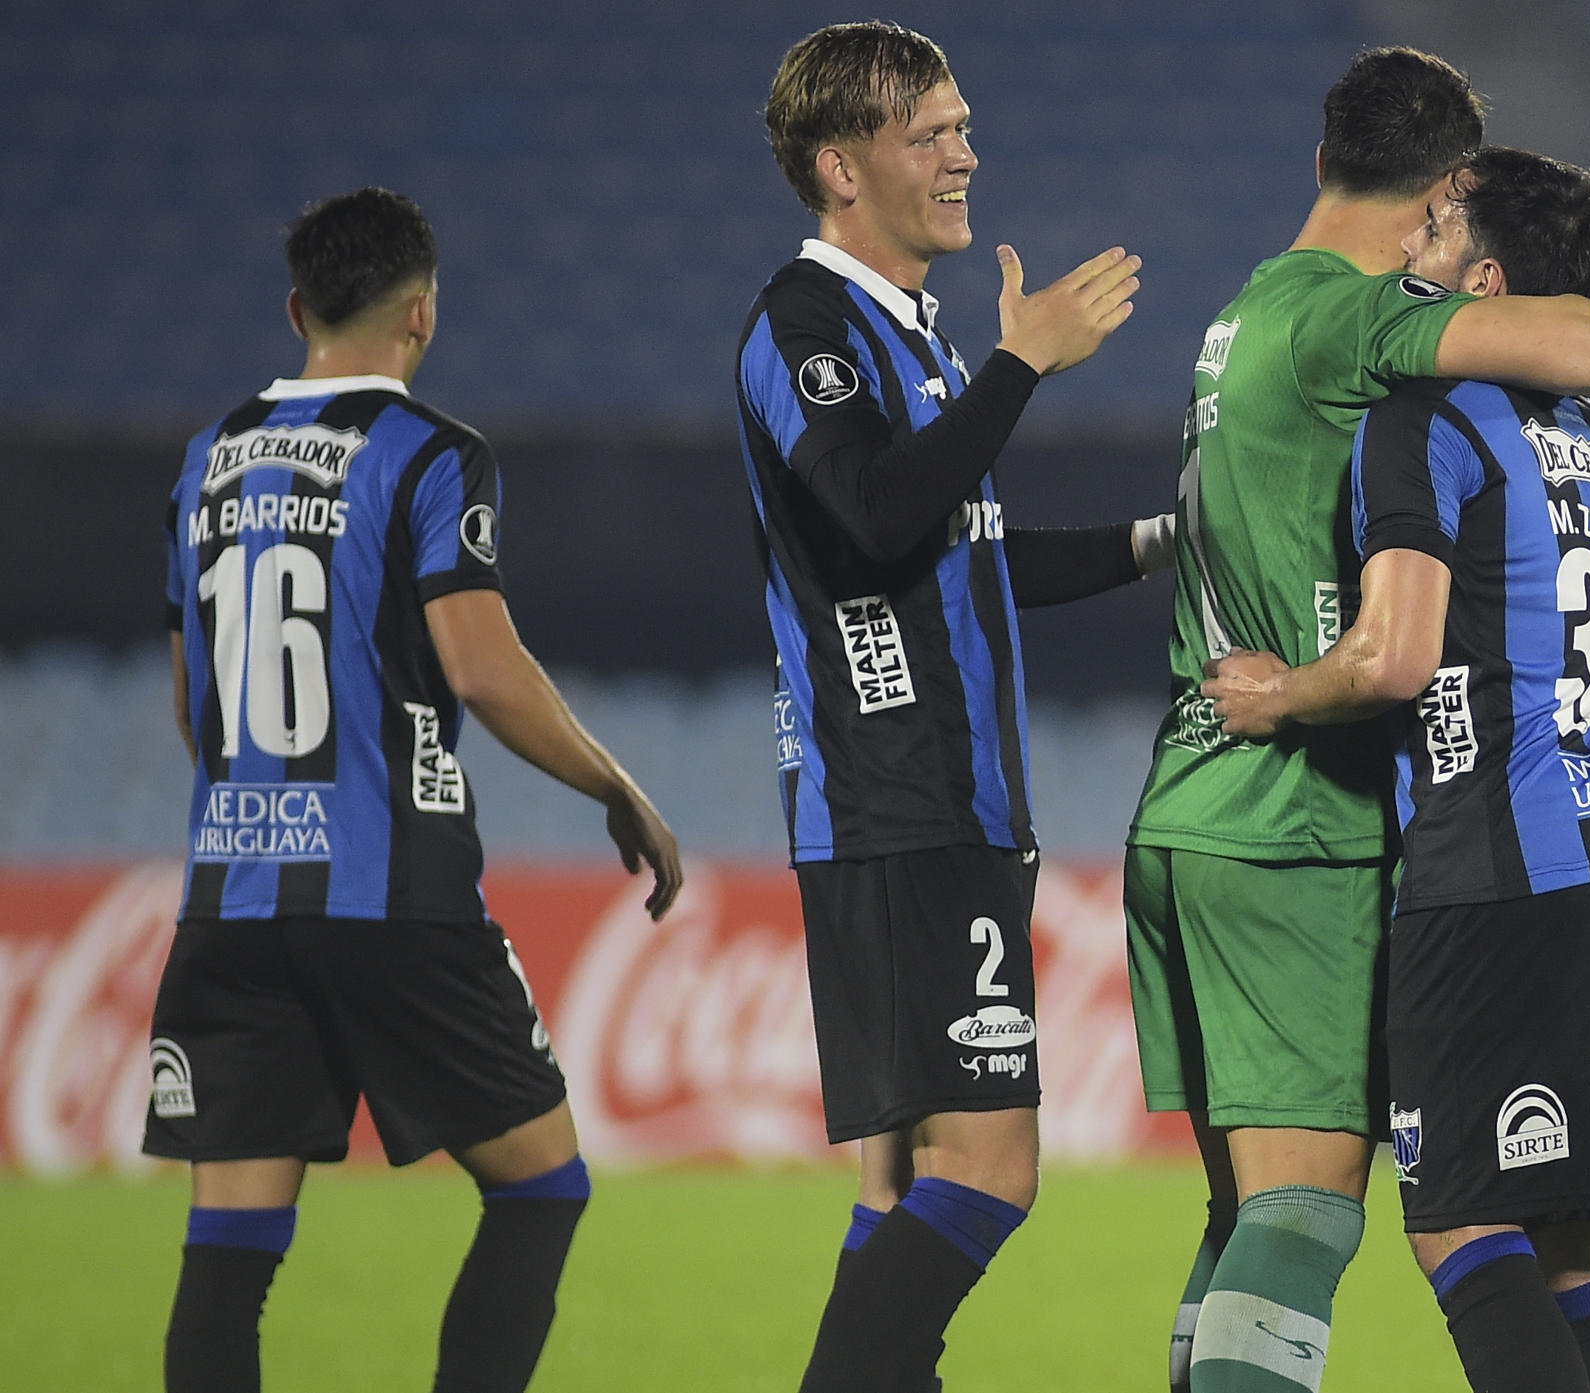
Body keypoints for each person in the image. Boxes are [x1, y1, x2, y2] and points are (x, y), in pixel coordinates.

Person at [1122, 48, 1590, 1393]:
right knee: (1306, 1211)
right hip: (1300, 810)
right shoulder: (1361, 321)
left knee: (1249, 1209)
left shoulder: (1244, 311)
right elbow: (1588, 339)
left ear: (1319, 164)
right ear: (1445, 196)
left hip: (1194, 793)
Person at [1202, 146, 1590, 1393]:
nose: (1405, 250)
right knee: (1588, 1246)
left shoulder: (1423, 419)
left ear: (1483, 283)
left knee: (1462, 1221)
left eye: (1432, 234)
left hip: (1501, 859)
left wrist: (1278, 693)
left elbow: (1394, 657)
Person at [146, 187, 682, 1393]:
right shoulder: (433, 453)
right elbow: (483, 670)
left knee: (226, 1258)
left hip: (227, 908)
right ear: (423, 314)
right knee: (543, 1186)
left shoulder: (206, 460)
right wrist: (615, 786)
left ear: (298, 308)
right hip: (392, 896)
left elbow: (196, 704)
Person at [738, 21, 1171, 1393]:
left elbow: (971, 546)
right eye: (931, 134)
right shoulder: (801, 325)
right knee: (990, 1170)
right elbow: (872, 518)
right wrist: (1022, 364)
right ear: (841, 166)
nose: (966, 153)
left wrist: (1171, 539)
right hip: (897, 798)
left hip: (942, 805)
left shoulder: (907, 337)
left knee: (899, 1193)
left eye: (963, 126)